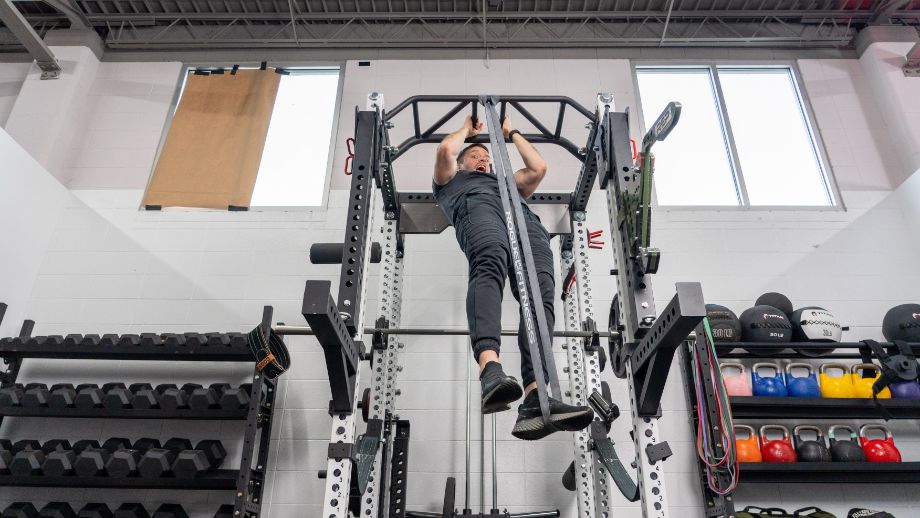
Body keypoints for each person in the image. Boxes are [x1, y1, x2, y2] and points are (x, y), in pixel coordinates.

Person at [433, 115, 594, 440]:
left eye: (486, 157)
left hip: (525, 222)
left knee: (540, 293)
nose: (483, 160)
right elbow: (445, 151)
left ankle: (536, 394)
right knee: (490, 261)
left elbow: (538, 168)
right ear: (462, 165)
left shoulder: (507, 182)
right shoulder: (452, 180)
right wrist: (467, 130)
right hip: (479, 210)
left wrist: (511, 133)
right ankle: (490, 369)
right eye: (475, 156)